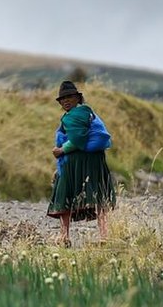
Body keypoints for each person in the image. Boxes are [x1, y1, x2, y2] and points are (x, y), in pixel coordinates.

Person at [47, 80, 116, 246]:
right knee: (98, 196)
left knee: (65, 195)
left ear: (78, 98)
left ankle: (65, 236)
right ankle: (103, 236)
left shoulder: (77, 114)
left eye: (69, 97)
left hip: (78, 160)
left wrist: (61, 150)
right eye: (62, 99)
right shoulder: (84, 114)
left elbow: (78, 139)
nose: (66, 101)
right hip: (91, 160)